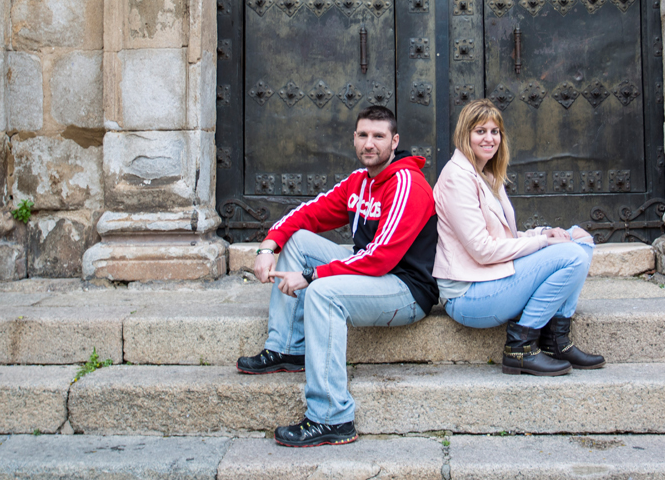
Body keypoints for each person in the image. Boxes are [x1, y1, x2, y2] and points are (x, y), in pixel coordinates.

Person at [237, 105, 439, 447]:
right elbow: (309, 214)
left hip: (405, 288)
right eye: (363, 135)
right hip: (371, 273)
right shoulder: (359, 182)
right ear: (354, 139)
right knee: (298, 240)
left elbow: (380, 258)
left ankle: (332, 417)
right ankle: (287, 348)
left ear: (395, 141)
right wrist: (268, 246)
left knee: (322, 293)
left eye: (379, 136)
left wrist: (313, 275)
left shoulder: (408, 184)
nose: (369, 144)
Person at [432, 98, 604, 376]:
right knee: (570, 255)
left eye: (494, 131)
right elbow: (482, 250)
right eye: (480, 131)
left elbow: (504, 237)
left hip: (493, 277)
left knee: (579, 240)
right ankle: (520, 347)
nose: (489, 138)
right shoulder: (457, 178)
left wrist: (541, 233)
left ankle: (555, 340)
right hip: (468, 295)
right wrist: (543, 243)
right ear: (465, 135)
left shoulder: (486, 174)